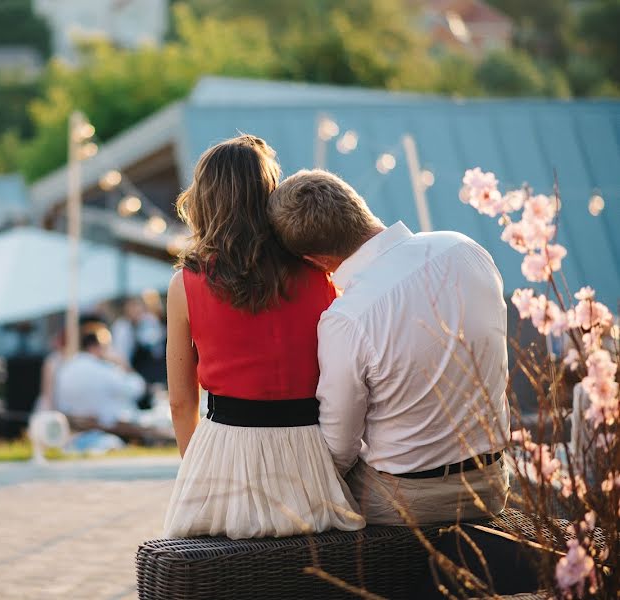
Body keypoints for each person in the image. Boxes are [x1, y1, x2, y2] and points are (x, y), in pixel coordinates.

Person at [267, 169, 511, 525]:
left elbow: (339, 446)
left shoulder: (347, 317)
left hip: (409, 501)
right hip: (490, 485)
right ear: (358, 205)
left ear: (315, 261)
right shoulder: (465, 248)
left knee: (288, 497)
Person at [163, 135, 365, 540]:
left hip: (224, 449)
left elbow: (181, 400)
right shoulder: (318, 275)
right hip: (309, 450)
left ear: (203, 199)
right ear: (270, 194)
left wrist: (195, 469)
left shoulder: (187, 283)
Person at [53, 325, 146, 428]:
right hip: (105, 428)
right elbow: (137, 389)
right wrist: (124, 365)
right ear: (95, 347)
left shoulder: (66, 368)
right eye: (106, 347)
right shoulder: (104, 369)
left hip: (75, 425)